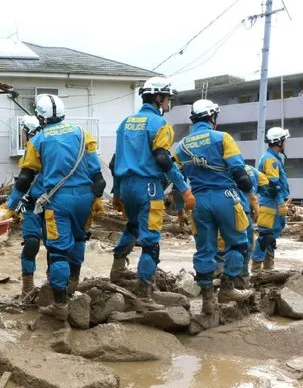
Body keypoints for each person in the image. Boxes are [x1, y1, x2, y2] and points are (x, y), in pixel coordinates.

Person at [5, 94, 105, 320]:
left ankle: (60, 304)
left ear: (40, 117)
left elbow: (24, 179)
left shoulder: (39, 141)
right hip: (84, 198)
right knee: (79, 241)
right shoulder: (82, 134)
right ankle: (70, 285)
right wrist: (96, 198)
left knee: (58, 251)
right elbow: (98, 177)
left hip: (56, 201)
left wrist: (10, 206)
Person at [111, 77, 195, 310]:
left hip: (126, 185)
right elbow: (162, 158)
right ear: (158, 98)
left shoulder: (125, 123)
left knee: (132, 227)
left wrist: (117, 192)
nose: (168, 102)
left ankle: (116, 272)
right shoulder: (160, 124)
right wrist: (184, 189)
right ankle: (144, 296)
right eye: (167, 98)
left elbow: (115, 160)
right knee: (151, 244)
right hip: (148, 186)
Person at [175, 99, 254, 314]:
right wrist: (250, 193)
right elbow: (239, 172)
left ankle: (208, 300)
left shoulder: (181, 147)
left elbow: (175, 179)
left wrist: (180, 207)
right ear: (212, 117)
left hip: (199, 202)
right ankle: (227, 288)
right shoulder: (223, 138)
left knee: (205, 250)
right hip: (226, 197)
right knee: (238, 244)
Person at [6, 115, 43, 298]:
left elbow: (24, 180)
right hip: (46, 203)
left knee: (31, 243)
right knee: (55, 247)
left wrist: (11, 206)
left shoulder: (35, 145)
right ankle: (53, 288)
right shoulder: (49, 143)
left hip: (35, 203)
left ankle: (27, 289)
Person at [215, 164, 267, 284]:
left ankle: (218, 276)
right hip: (242, 210)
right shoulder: (250, 169)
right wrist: (256, 201)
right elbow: (265, 182)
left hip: (222, 210)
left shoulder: (216, 168)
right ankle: (241, 279)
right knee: (244, 245)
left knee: (221, 243)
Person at [251, 127, 290, 272]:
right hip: (270, 203)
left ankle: (268, 268)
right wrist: (280, 203)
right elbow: (273, 186)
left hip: (271, 202)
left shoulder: (272, 157)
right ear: (278, 142)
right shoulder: (270, 159)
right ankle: (256, 270)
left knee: (271, 237)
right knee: (265, 237)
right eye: (283, 140)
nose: (285, 143)